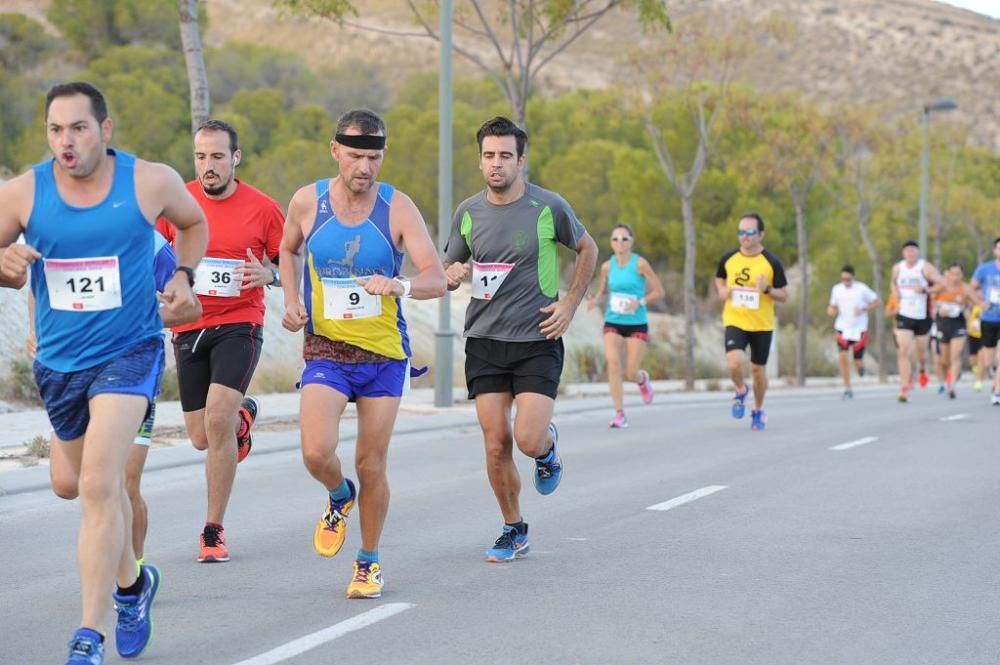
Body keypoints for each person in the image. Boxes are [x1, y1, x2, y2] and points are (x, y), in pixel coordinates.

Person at [0, 81, 206, 665]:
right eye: (55, 130)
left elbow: (192, 225)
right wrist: (4, 262)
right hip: (59, 363)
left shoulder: (149, 181)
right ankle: (133, 582)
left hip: (131, 352)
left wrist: (184, 277)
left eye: (79, 128)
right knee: (75, 484)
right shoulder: (23, 194)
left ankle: (88, 634)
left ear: (105, 130)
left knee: (97, 484)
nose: (67, 142)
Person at [280, 109, 446, 598]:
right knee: (316, 451)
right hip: (326, 350)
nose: (364, 167)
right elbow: (287, 251)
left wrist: (398, 285)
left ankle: (368, 562)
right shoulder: (308, 202)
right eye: (355, 156)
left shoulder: (398, 208)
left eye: (373, 157)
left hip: (383, 357)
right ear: (335, 151)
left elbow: (435, 276)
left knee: (371, 464)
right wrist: (290, 300)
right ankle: (338, 495)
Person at [444, 116, 598, 563]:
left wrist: (569, 303)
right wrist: (451, 273)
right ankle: (514, 528)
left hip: (537, 338)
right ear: (480, 160)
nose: (496, 164)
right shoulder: (468, 212)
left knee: (526, 440)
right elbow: (450, 267)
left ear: (521, 160)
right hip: (485, 341)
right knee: (496, 444)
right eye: (489, 155)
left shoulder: (549, 206)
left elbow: (588, 249)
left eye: (505, 156)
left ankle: (547, 447)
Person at [28, 230, 200, 565]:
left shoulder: (145, 240)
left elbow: (191, 308)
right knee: (66, 483)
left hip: (130, 369)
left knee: (124, 478)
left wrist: (131, 322)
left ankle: (133, 579)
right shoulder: (54, 231)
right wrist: (37, 330)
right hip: (71, 368)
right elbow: (39, 285)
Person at [156, 119, 284, 563]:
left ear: (236, 158)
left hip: (240, 322)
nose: (207, 166)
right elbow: (152, 253)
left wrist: (273, 275)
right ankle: (243, 418)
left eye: (216, 157)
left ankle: (212, 530)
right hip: (189, 326)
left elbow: (292, 259)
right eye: (200, 157)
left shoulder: (263, 209)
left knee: (215, 419)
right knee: (200, 436)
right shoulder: (177, 203)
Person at [714, 212, 788, 431]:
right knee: (734, 362)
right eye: (741, 232)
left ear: (761, 234)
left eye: (750, 232)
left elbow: (784, 295)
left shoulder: (772, 262)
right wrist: (722, 290)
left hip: (761, 324)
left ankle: (757, 409)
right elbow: (719, 276)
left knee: (757, 371)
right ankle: (740, 390)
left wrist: (766, 289)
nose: (744, 236)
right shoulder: (729, 258)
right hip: (735, 319)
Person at [586, 223, 664, 427]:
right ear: (611, 243)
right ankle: (620, 413)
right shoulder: (606, 266)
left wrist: (640, 302)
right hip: (613, 320)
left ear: (631, 242)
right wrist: (595, 300)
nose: (619, 242)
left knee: (630, 372)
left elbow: (659, 291)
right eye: (615, 239)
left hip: (637, 322)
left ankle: (641, 380)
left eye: (624, 239)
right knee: (613, 363)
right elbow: (603, 291)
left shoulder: (640, 264)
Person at [890, 240, 943, 402]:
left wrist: (926, 289)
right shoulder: (898, 268)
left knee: (921, 352)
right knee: (903, 351)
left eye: (913, 251)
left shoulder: (925, 267)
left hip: (922, 315)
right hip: (904, 313)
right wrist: (895, 294)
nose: (910, 254)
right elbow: (893, 282)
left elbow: (941, 283)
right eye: (907, 251)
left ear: (918, 253)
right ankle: (904, 387)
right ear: (903, 253)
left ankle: (921, 368)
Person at [827, 264, 879, 399]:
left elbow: (876, 301)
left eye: (848, 279)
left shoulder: (861, 289)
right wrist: (831, 310)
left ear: (853, 278)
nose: (846, 282)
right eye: (843, 279)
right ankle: (847, 387)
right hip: (842, 327)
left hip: (859, 328)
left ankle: (860, 366)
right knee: (843, 357)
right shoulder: (836, 289)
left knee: (857, 359)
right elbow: (832, 306)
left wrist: (863, 309)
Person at [933, 263, 972, 399]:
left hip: (958, 325)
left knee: (955, 355)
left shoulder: (966, 289)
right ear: (947, 274)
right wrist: (938, 310)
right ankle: (946, 379)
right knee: (944, 360)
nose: (955, 277)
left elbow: (973, 304)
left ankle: (952, 385)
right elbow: (930, 306)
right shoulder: (939, 289)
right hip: (942, 325)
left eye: (958, 274)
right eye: (953, 274)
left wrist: (968, 312)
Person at [969, 237, 1000, 405]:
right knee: (989, 361)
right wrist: (980, 303)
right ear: (995, 251)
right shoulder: (984, 269)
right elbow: (971, 288)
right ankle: (995, 375)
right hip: (988, 318)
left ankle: (997, 390)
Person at [966, 302, 985, 392]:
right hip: (973, 335)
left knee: (981, 358)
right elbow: (968, 318)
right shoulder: (972, 305)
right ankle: (977, 373)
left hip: (984, 335)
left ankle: (978, 381)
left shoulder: (988, 305)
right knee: (972, 359)